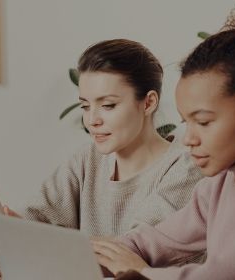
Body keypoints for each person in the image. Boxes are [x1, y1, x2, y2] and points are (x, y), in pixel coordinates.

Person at [89, 2, 235, 279]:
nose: (188, 140)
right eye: (187, 122)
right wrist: (85, 256)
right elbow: (150, 242)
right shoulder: (217, 185)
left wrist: (142, 272)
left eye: (203, 122)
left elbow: (218, 275)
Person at [17, 39, 203, 238]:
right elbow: (36, 216)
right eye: (85, 106)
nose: (91, 120)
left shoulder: (186, 168)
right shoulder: (86, 159)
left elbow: (138, 249)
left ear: (148, 103)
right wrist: (12, 235)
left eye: (108, 105)